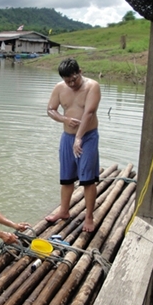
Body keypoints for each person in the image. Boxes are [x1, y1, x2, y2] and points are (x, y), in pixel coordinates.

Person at [46, 58, 101, 232]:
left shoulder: (92, 86)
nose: (71, 83)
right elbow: (50, 109)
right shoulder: (60, 88)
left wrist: (79, 137)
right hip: (67, 137)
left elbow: (89, 113)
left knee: (87, 179)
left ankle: (89, 217)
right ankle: (63, 211)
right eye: (67, 80)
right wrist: (64, 119)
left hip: (88, 137)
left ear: (80, 71)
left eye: (74, 79)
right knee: (66, 177)